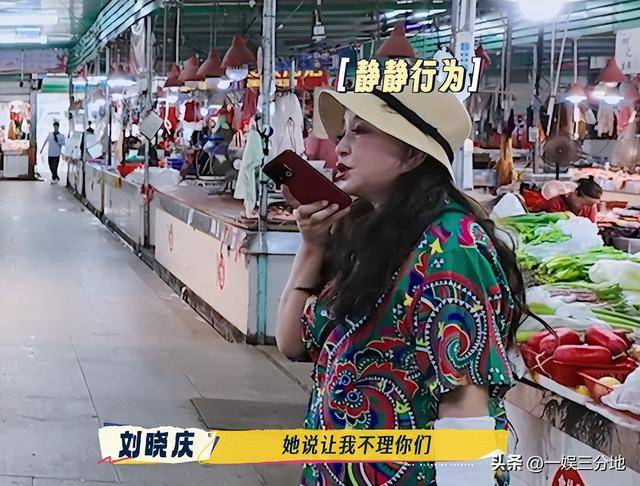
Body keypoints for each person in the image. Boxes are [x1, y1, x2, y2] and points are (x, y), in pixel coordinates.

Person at [277, 87, 531, 485]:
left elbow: (464, 401)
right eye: (343, 133)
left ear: (413, 154)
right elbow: (292, 343)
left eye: (361, 131)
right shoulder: (367, 233)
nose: (341, 148)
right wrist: (312, 245)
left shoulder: (450, 248)